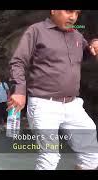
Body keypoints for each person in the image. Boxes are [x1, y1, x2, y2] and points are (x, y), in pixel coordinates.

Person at [8, 10, 98, 170]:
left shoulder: (77, 36)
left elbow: (87, 53)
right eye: (69, 11)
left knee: (91, 156)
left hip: (73, 105)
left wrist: (94, 44)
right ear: (54, 10)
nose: (73, 17)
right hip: (44, 105)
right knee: (49, 157)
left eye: (77, 13)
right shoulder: (36, 31)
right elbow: (18, 62)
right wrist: (19, 90)